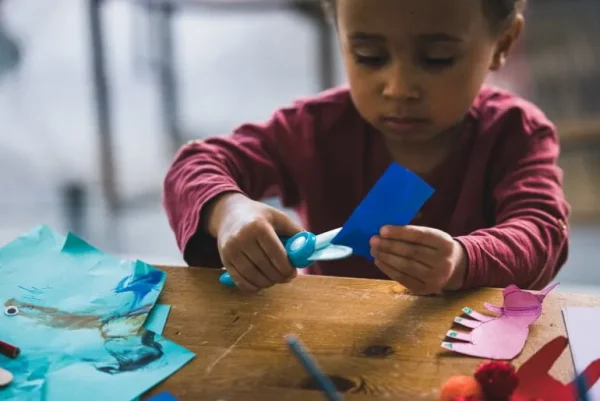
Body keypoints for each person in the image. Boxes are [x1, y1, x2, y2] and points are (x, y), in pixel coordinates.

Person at [162, 0, 570, 295]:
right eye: (369, 56)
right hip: (334, 343)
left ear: (502, 43)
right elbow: (196, 164)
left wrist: (464, 260)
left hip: (470, 346)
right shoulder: (314, 128)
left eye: (438, 58)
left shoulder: (517, 134)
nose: (399, 88)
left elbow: (541, 232)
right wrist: (229, 210)